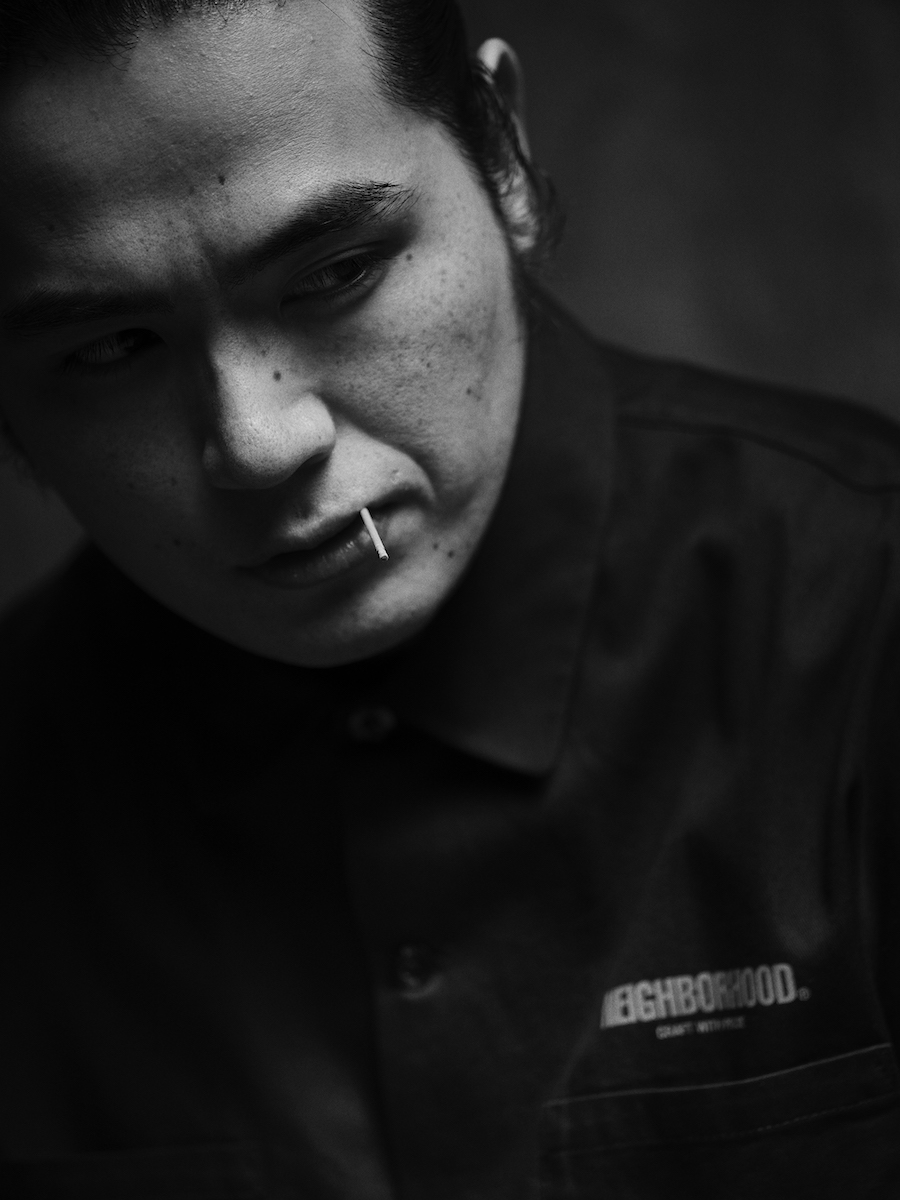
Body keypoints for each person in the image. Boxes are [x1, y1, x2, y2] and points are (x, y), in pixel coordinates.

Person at [1, 1, 899, 1197]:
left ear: (503, 155)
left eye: (336, 273)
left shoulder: (866, 617)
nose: (259, 442)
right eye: (113, 348)